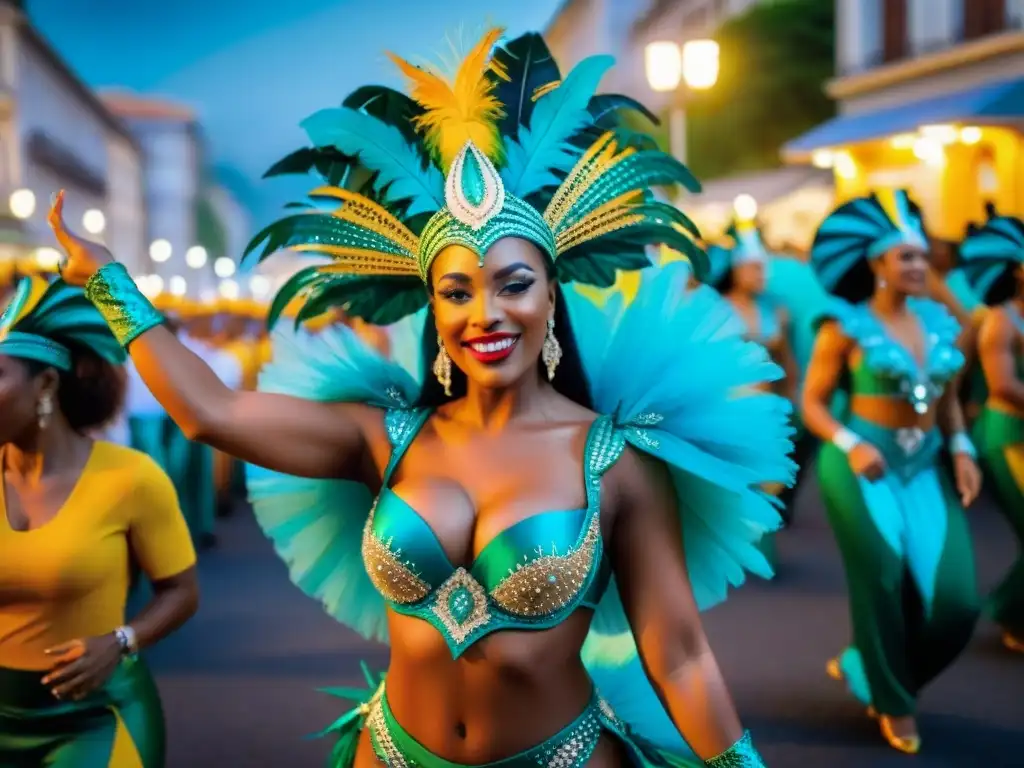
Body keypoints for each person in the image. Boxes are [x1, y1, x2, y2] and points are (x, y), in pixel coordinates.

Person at [46, 28, 793, 768]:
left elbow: (681, 656)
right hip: (392, 754)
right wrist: (110, 284)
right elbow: (211, 412)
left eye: (514, 284)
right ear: (433, 309)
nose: (485, 315)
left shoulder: (615, 462)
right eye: (457, 292)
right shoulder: (384, 439)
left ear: (552, 295)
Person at [801, 189, 982, 754]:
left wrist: (962, 449)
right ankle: (895, 702)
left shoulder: (937, 322)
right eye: (905, 256)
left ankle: (873, 670)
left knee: (956, 604)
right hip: (860, 464)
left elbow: (946, 399)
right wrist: (851, 442)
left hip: (925, 466)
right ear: (875, 264)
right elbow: (813, 403)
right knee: (880, 582)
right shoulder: (842, 329)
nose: (918, 265)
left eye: (923, 256)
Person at [0, 275, 198, 767]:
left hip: (96, 720)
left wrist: (121, 642)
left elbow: (182, 592)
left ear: (45, 383)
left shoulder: (131, 478)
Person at [705, 219, 799, 539]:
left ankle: (759, 541)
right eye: (753, 268)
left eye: (763, 268)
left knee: (769, 480)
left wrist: (792, 398)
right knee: (736, 480)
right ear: (736, 269)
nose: (761, 274)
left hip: (768, 406)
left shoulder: (776, 311)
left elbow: (787, 361)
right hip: (729, 407)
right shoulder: (716, 308)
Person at [959, 205, 1024, 653]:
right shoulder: (1000, 320)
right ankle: (1009, 613)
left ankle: (1008, 606)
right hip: (1007, 436)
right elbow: (1003, 385)